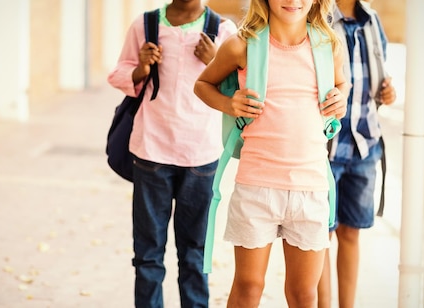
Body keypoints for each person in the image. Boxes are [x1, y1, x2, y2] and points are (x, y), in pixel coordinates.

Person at [193, 0, 349, 306]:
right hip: (256, 187)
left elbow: (342, 83)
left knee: (303, 293)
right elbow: (203, 84)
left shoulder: (329, 46)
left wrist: (340, 99)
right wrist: (229, 104)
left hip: (310, 188)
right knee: (249, 285)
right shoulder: (242, 45)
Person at [107, 1, 236, 307]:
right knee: (148, 254)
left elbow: (237, 88)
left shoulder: (223, 30)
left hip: (201, 157)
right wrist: (142, 68)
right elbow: (119, 74)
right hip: (152, 151)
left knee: (194, 254)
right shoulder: (146, 24)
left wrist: (215, 60)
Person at [317, 1, 397, 308]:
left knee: (351, 234)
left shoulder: (372, 21)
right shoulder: (318, 18)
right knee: (320, 237)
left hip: (364, 146)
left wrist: (388, 92)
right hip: (326, 148)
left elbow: (378, 76)